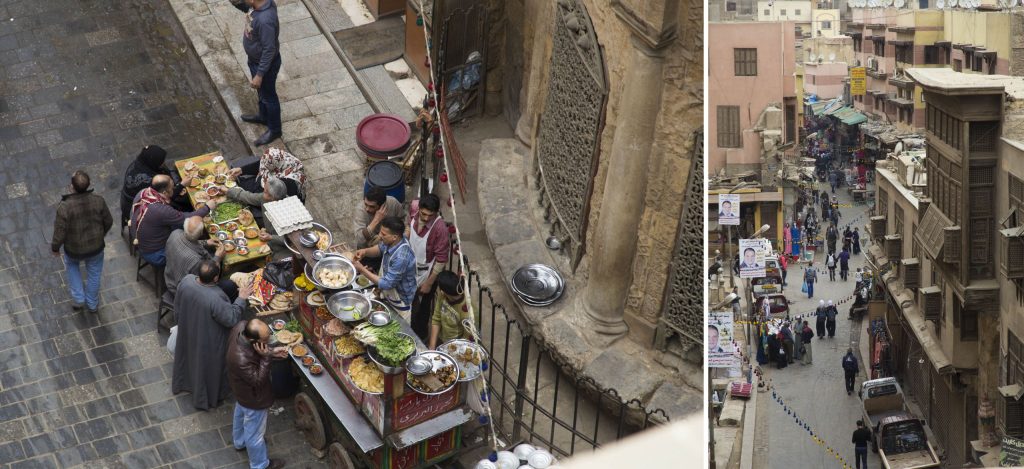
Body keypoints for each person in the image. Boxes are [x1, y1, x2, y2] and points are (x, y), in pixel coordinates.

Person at [172, 260, 252, 410]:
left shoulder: (187, 281)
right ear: (216, 278)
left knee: (189, 357)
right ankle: (206, 396)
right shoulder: (215, 298)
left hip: (189, 328)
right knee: (207, 367)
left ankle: (186, 382)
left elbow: (177, 305)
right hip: (207, 338)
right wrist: (241, 298)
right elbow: (231, 318)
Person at [226, 319, 287, 469]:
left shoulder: (241, 327)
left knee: (240, 413)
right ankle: (260, 464)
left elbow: (255, 353)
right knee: (255, 434)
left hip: (240, 391)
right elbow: (258, 381)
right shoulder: (241, 359)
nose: (269, 340)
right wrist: (267, 357)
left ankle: (239, 442)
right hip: (254, 398)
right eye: (266, 340)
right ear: (253, 340)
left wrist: (272, 352)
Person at [51, 171, 113, 314]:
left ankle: (79, 299)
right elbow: (108, 221)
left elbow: (60, 231)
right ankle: (92, 303)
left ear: (71, 187)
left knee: (72, 267)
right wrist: (100, 234)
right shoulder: (99, 200)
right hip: (96, 248)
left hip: (74, 249)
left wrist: (55, 247)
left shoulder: (65, 207)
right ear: (89, 185)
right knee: (94, 274)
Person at [132, 175, 216, 267]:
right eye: (173, 188)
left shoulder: (144, 192)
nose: (174, 189)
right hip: (155, 253)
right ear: (164, 191)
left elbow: (168, 195)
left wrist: (182, 185)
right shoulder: (161, 210)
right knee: (191, 249)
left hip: (142, 238)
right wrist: (207, 207)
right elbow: (187, 218)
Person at [353, 217, 418, 321]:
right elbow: (380, 248)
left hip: (401, 301)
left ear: (394, 237)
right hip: (389, 295)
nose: (380, 236)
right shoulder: (393, 241)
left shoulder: (402, 257)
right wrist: (365, 251)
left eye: (383, 234)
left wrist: (362, 270)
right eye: (380, 232)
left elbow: (386, 283)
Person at [407, 195, 450, 340]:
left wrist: (429, 283)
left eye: (430, 215)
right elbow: (409, 227)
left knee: (422, 309)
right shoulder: (413, 209)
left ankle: (420, 336)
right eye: (423, 214)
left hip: (427, 273)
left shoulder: (440, 229)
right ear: (418, 208)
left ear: (436, 213)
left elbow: (441, 260)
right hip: (410, 266)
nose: (425, 218)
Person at [240, 0, 283, 146]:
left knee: (269, 96)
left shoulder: (265, 20)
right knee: (262, 93)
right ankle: (263, 116)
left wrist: (259, 75)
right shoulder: (258, 6)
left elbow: (269, 50)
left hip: (264, 66)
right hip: (254, 60)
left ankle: (275, 129)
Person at [164, 217, 233, 302]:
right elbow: (206, 278)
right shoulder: (195, 261)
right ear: (201, 233)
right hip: (180, 291)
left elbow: (189, 241)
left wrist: (206, 242)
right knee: (230, 285)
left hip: (170, 276)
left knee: (211, 253)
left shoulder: (175, 233)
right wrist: (217, 258)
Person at [428, 271, 473, 350]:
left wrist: (452, 350)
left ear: (443, 291)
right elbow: (436, 318)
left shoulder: (466, 310)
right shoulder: (442, 295)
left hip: (457, 346)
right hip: (442, 340)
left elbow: (467, 337)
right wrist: (432, 347)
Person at [355, 187, 404, 252]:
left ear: (382, 206)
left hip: (390, 246)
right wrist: (376, 220)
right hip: (368, 250)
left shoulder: (393, 203)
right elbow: (360, 241)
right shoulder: (361, 210)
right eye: (366, 204)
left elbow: (403, 222)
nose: (367, 209)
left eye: (372, 206)